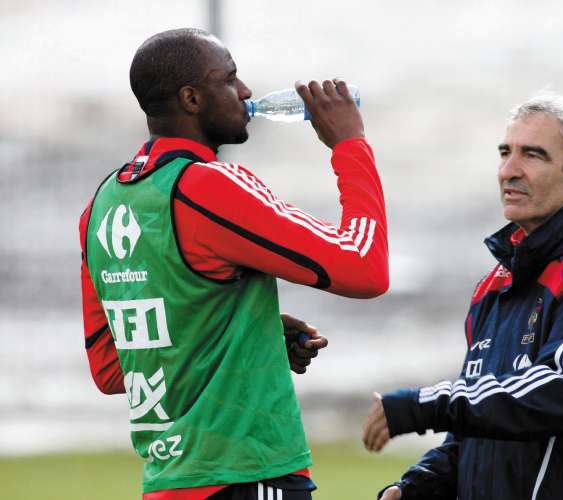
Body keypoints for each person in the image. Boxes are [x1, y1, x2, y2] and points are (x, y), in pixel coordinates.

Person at [79, 28, 388, 500]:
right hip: (246, 475)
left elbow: (113, 366)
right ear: (192, 98)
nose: (246, 92)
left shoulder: (100, 206)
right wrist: (351, 145)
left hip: (169, 484)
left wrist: (247, 332)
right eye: (231, 78)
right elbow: (364, 267)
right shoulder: (209, 187)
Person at [363, 94, 563, 500]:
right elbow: (482, 426)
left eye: (533, 155)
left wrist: (425, 405)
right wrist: (417, 487)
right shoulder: (497, 285)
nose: (508, 170)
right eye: (506, 152)